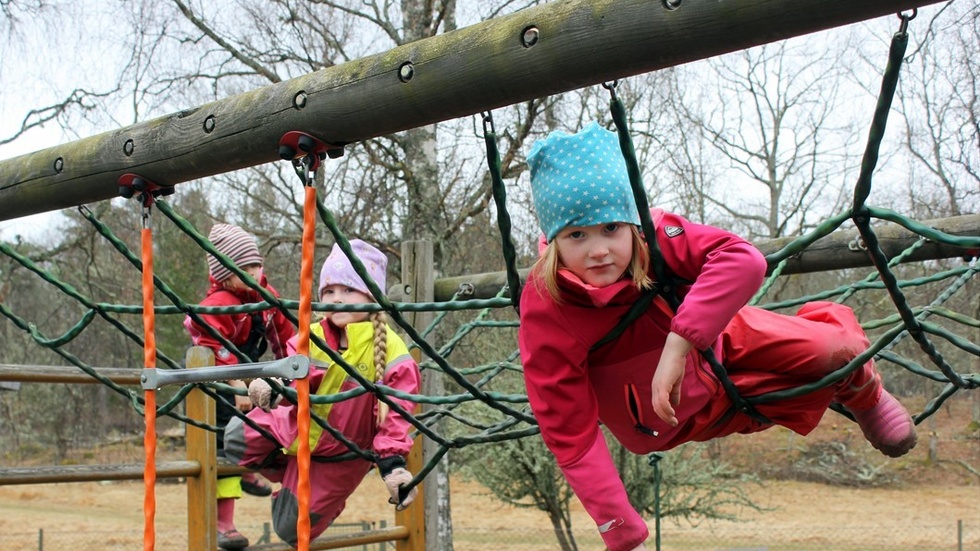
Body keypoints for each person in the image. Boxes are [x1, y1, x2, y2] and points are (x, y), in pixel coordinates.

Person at [517, 122, 917, 551]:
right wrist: (614, 518)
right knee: (800, 391)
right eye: (578, 234)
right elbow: (567, 428)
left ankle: (865, 395)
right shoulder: (547, 304)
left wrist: (678, 343)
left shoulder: (655, 236)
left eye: (611, 228)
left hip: (718, 336)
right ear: (555, 240)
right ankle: (843, 386)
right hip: (678, 413)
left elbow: (743, 259)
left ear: (630, 223)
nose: (599, 250)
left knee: (836, 351)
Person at [222, 239, 422, 547]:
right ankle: (290, 470)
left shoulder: (394, 353)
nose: (336, 300)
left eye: (348, 290)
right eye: (329, 292)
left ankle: (314, 493)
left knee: (290, 530)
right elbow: (292, 368)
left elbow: (397, 413)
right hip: (297, 426)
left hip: (343, 454)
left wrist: (393, 464)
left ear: (370, 296)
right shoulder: (313, 334)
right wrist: (274, 383)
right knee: (235, 437)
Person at [184, 223, 296, 550]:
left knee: (274, 420)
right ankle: (224, 523)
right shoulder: (218, 303)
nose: (252, 274)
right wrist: (237, 386)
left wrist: (291, 369)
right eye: (242, 269)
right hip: (214, 378)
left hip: (250, 374)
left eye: (255, 266)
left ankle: (249, 467)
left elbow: (284, 337)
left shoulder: (266, 297)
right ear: (222, 274)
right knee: (220, 443)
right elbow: (213, 348)